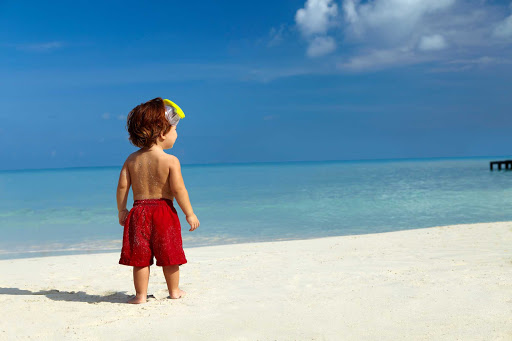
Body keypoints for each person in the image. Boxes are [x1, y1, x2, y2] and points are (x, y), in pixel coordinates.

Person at [116, 97, 200, 304]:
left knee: (140, 257)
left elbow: (122, 186)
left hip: (138, 212)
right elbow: (179, 190)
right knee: (169, 254)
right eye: (175, 130)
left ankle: (141, 295)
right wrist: (189, 213)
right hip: (163, 212)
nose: (177, 135)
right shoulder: (170, 160)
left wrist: (121, 210)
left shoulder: (132, 159)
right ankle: (174, 291)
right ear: (163, 133)